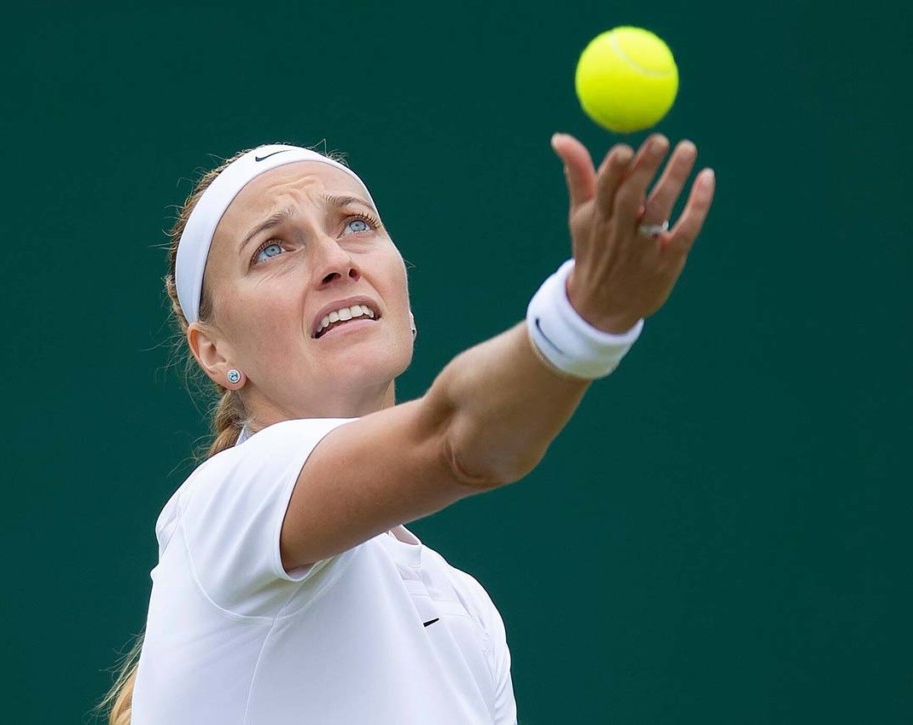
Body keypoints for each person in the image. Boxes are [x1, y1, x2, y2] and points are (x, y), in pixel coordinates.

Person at [99, 134, 715, 725]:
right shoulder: (229, 499)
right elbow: (456, 443)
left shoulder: (468, 611)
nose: (335, 261)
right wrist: (585, 320)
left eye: (355, 224)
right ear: (213, 352)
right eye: (272, 248)